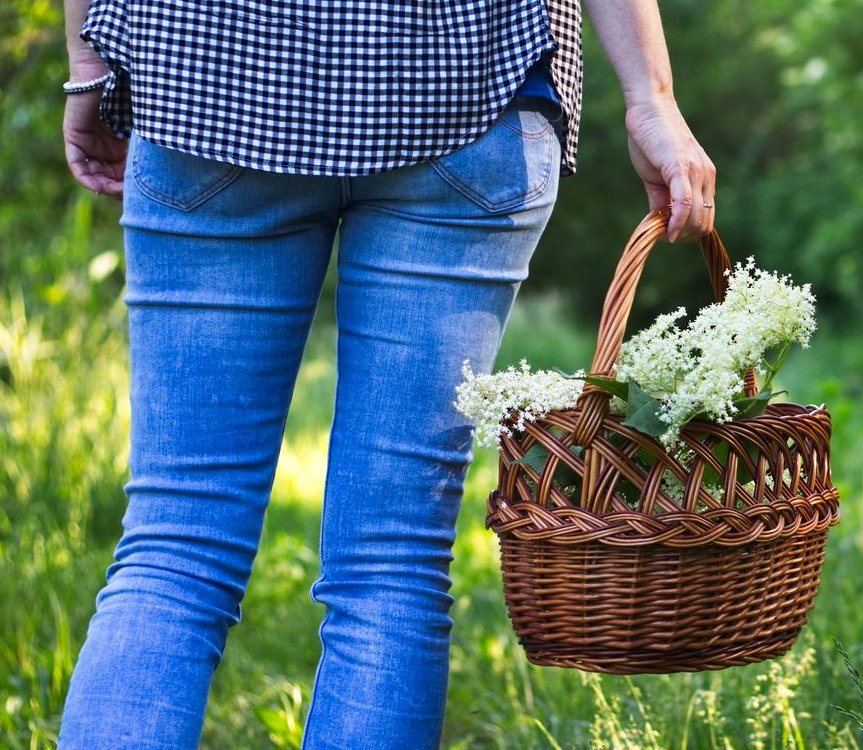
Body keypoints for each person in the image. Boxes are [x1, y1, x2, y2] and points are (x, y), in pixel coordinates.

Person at [59, 0, 716, 747]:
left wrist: (88, 69)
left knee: (175, 545)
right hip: (467, 87)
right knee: (391, 565)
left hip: (210, 83)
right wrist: (651, 99)